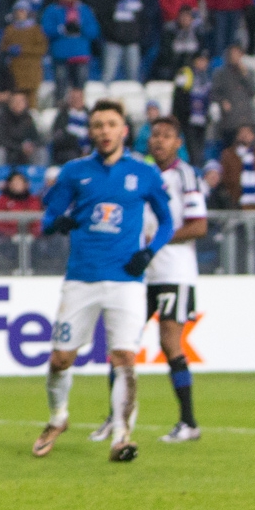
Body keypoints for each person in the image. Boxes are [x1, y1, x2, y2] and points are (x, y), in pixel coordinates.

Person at [32, 100, 172, 463]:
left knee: (125, 357)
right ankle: (57, 418)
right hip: (81, 278)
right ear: (90, 131)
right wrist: (57, 223)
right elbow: (48, 216)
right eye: (98, 125)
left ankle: (122, 438)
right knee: (61, 360)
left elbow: (167, 221)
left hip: (126, 281)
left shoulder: (143, 174)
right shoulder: (75, 172)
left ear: (124, 130)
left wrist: (149, 251)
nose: (104, 131)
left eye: (111, 124)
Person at [83, 116, 207, 447]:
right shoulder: (143, 175)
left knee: (170, 342)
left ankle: (189, 422)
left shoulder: (185, 175)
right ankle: (115, 416)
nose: (159, 141)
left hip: (173, 273)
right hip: (140, 274)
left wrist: (156, 242)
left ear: (178, 142)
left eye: (167, 136)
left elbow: (198, 226)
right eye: (155, 135)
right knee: (122, 344)